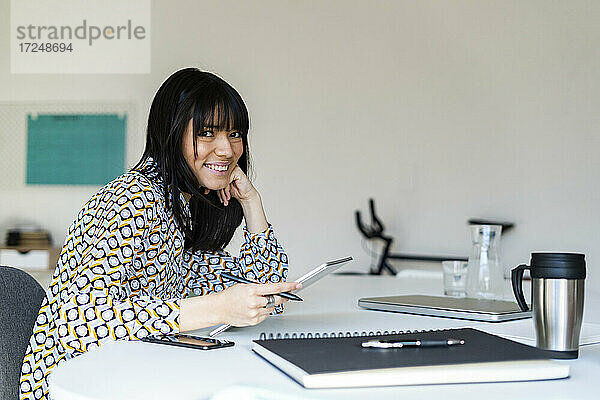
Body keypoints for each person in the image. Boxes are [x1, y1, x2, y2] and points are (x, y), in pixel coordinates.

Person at [19, 68, 298, 400]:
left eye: (235, 133)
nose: (226, 149)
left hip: (127, 376)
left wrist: (252, 202)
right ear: (172, 134)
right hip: (72, 387)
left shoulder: (177, 206)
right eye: (207, 132)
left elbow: (264, 290)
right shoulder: (132, 202)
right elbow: (80, 320)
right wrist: (216, 308)